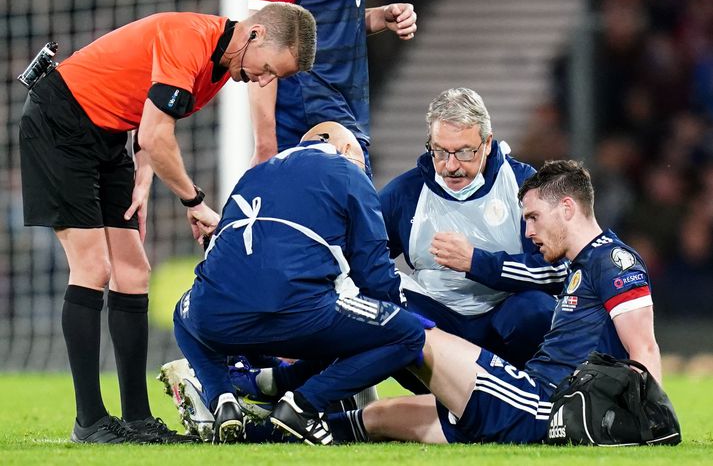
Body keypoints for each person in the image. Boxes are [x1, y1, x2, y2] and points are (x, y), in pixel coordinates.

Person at [18, 4, 316, 444]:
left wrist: (140, 180)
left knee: (134, 272)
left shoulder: (219, 67)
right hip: (60, 121)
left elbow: (148, 119)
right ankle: (90, 421)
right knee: (93, 268)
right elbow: (155, 136)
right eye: (268, 68)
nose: (264, 80)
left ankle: (136, 418)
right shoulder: (191, 39)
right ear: (254, 34)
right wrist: (194, 202)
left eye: (275, 77)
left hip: (105, 135)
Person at [336, 160, 661, 444]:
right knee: (378, 415)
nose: (529, 231)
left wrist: (651, 420)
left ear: (566, 208)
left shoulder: (613, 260)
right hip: (525, 391)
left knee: (411, 330)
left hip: (541, 404)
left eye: (533, 217)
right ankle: (298, 426)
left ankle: (299, 382)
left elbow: (643, 346)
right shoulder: (582, 265)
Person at [172, 121, 426, 445]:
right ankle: (303, 405)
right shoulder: (348, 172)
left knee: (184, 312)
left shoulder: (253, 176)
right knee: (406, 334)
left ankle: (223, 399)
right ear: (348, 149)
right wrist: (397, 312)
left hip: (221, 318)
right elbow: (374, 272)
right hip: (300, 315)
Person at [380, 87, 567, 370]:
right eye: (440, 151)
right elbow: (362, 259)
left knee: (537, 311)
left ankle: (535, 397)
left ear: (488, 143)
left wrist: (476, 262)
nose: (451, 165)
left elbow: (557, 271)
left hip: (502, 317)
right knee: (380, 308)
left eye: (465, 152)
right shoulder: (404, 193)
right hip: (436, 321)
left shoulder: (523, 184)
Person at [247, 0, 418, 177]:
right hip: (309, 120)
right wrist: (265, 146)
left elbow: (331, 21)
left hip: (344, 114)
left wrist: (381, 16)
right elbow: (260, 43)